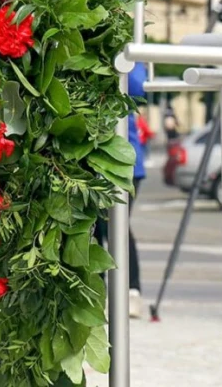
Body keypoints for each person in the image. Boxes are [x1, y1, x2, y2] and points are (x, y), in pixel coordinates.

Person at [95, 61, 146, 318]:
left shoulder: (127, 51)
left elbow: (138, 87)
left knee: (116, 226)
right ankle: (101, 289)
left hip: (124, 161)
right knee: (94, 227)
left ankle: (130, 291)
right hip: (92, 158)